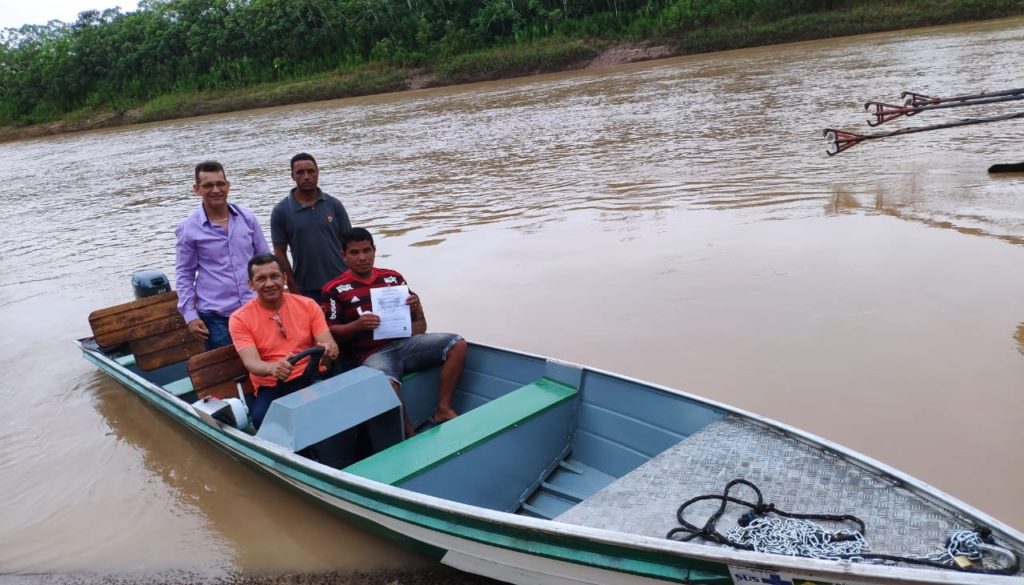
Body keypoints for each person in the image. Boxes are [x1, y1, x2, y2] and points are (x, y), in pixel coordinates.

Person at [321, 227, 466, 436]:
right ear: (344, 256)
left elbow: (420, 327)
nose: (362, 257)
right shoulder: (333, 289)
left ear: (374, 250)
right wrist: (358, 326)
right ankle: (408, 435)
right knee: (386, 384)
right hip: (372, 354)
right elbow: (331, 332)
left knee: (457, 345)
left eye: (366, 250)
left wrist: (416, 306)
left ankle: (443, 408)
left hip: (406, 345)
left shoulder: (393, 278)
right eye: (354, 252)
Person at [229, 253, 340, 428]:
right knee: (263, 419)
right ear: (251, 284)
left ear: (285, 278)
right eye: (261, 279)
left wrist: (329, 348)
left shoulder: (308, 305)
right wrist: (274, 368)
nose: (269, 284)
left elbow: (327, 342)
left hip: (311, 376)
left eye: (274, 276)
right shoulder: (240, 318)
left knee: (343, 403)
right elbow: (251, 363)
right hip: (273, 385)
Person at [176, 160, 271, 350]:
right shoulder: (189, 228)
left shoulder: (247, 218)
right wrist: (190, 316)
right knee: (230, 374)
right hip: (216, 317)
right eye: (208, 185)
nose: (216, 190)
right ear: (197, 189)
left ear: (228, 186)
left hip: (256, 307)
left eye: (220, 184)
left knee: (269, 359)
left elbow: (266, 261)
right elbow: (184, 274)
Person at [270, 153, 352, 301]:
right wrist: (293, 287)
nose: (306, 176)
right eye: (300, 172)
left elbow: (350, 243)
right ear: (292, 176)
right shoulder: (281, 211)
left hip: (342, 283)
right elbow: (280, 252)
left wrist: (354, 277)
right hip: (307, 288)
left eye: (311, 171)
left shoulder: (334, 205)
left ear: (317, 173)